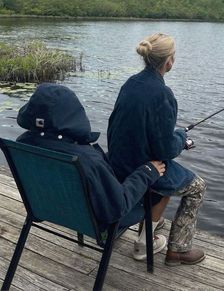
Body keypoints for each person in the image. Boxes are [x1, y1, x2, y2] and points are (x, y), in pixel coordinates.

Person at [16, 83, 166, 251]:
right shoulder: (86, 159)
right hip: (99, 222)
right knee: (158, 194)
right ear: (73, 114)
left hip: (48, 209)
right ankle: (147, 242)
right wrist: (146, 173)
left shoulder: (22, 144)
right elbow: (118, 207)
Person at [107, 33, 206, 266]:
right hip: (144, 170)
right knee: (197, 187)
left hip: (118, 164)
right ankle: (178, 251)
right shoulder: (163, 94)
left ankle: (149, 232)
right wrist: (181, 138)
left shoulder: (130, 83)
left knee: (166, 176)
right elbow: (165, 149)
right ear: (169, 61)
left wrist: (174, 136)